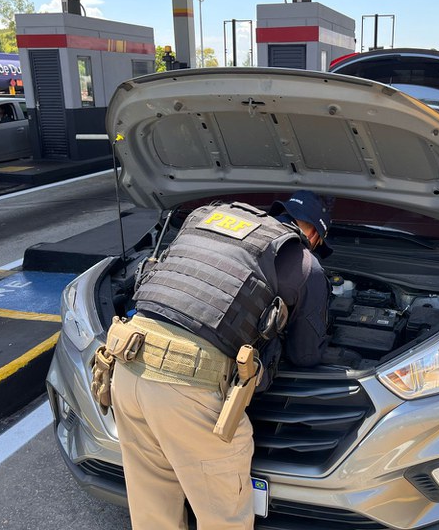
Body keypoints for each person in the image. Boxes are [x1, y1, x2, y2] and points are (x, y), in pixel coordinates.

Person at [110, 190, 332, 529]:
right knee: (223, 517)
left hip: (126, 365)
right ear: (315, 234)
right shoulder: (304, 263)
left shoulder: (207, 221)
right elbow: (305, 356)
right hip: (189, 388)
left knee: (153, 509)